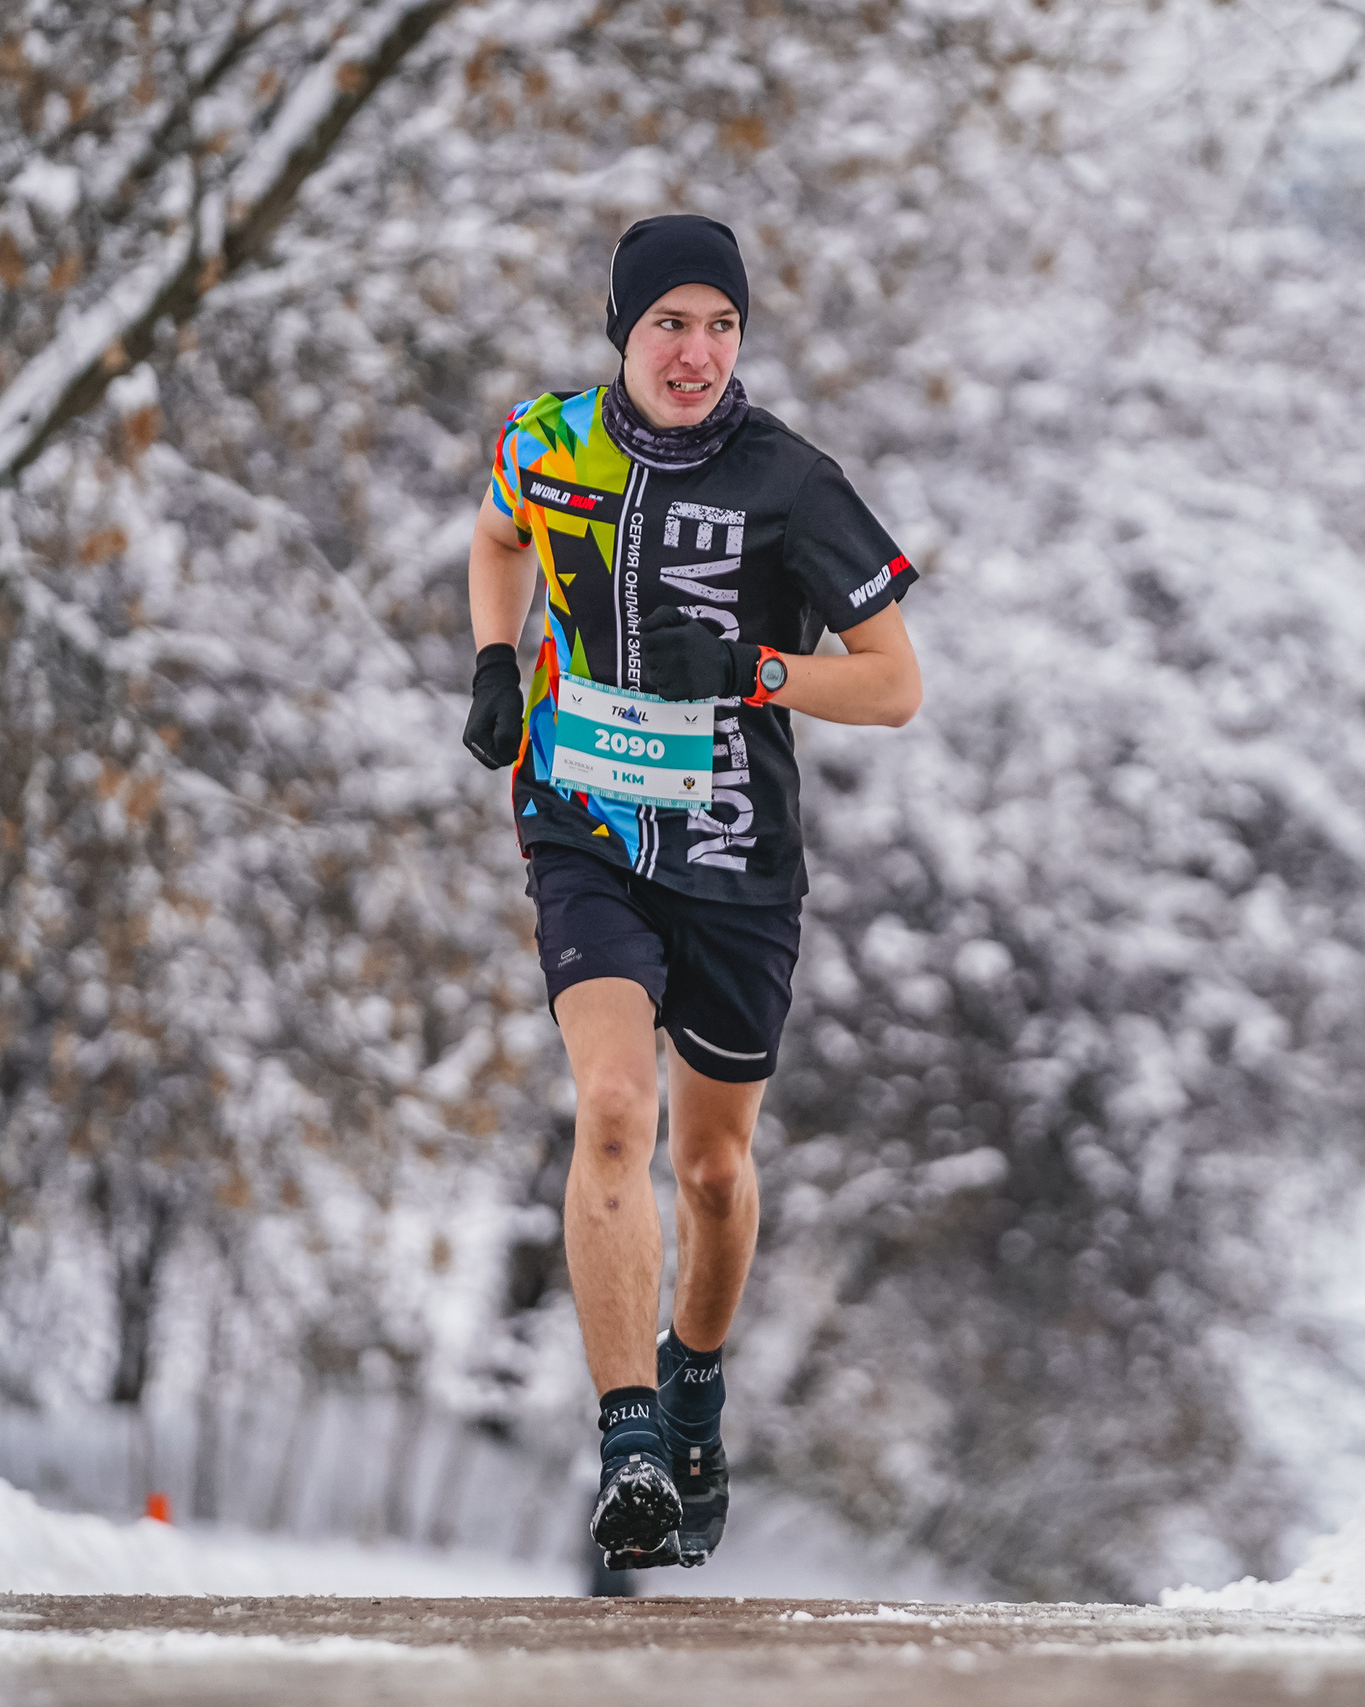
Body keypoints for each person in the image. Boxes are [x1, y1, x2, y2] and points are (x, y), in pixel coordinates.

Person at [460, 214, 922, 1571]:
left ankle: (697, 1383)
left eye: (722, 325)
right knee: (612, 1107)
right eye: (671, 323)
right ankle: (632, 1443)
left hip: (732, 854)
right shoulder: (549, 443)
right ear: (623, 332)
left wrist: (756, 672)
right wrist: (497, 666)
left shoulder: (790, 480)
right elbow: (496, 540)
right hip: (583, 823)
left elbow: (896, 683)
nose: (698, 351)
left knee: (713, 1169)